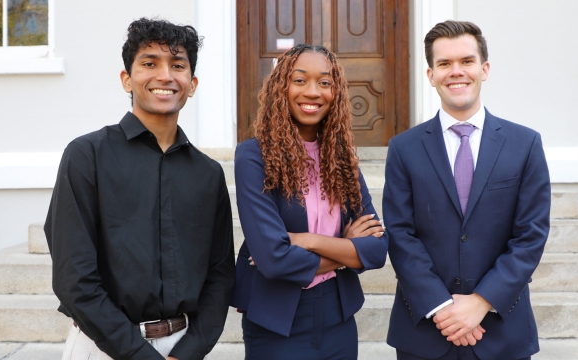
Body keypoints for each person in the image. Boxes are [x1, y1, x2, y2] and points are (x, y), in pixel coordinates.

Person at [44, 18, 234, 360]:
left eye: (177, 65)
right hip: (102, 348)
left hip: (183, 348)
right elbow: (75, 280)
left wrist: (188, 352)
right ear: (126, 79)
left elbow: (220, 276)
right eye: (149, 63)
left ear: (191, 84)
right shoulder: (86, 156)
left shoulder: (208, 174)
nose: (165, 76)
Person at [384, 20, 551, 360]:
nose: (456, 72)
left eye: (466, 61)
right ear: (431, 75)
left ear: (484, 69)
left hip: (502, 330)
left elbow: (531, 235)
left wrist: (481, 302)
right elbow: (401, 235)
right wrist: (442, 308)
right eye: (444, 63)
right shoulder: (403, 148)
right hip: (426, 332)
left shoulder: (525, 144)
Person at [231, 43, 388, 360]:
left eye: (325, 82)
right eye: (299, 80)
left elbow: (376, 249)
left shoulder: (342, 159)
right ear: (281, 87)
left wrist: (306, 240)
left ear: (337, 92)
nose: (313, 91)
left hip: (338, 316)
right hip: (278, 320)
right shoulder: (254, 156)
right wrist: (346, 250)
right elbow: (274, 260)